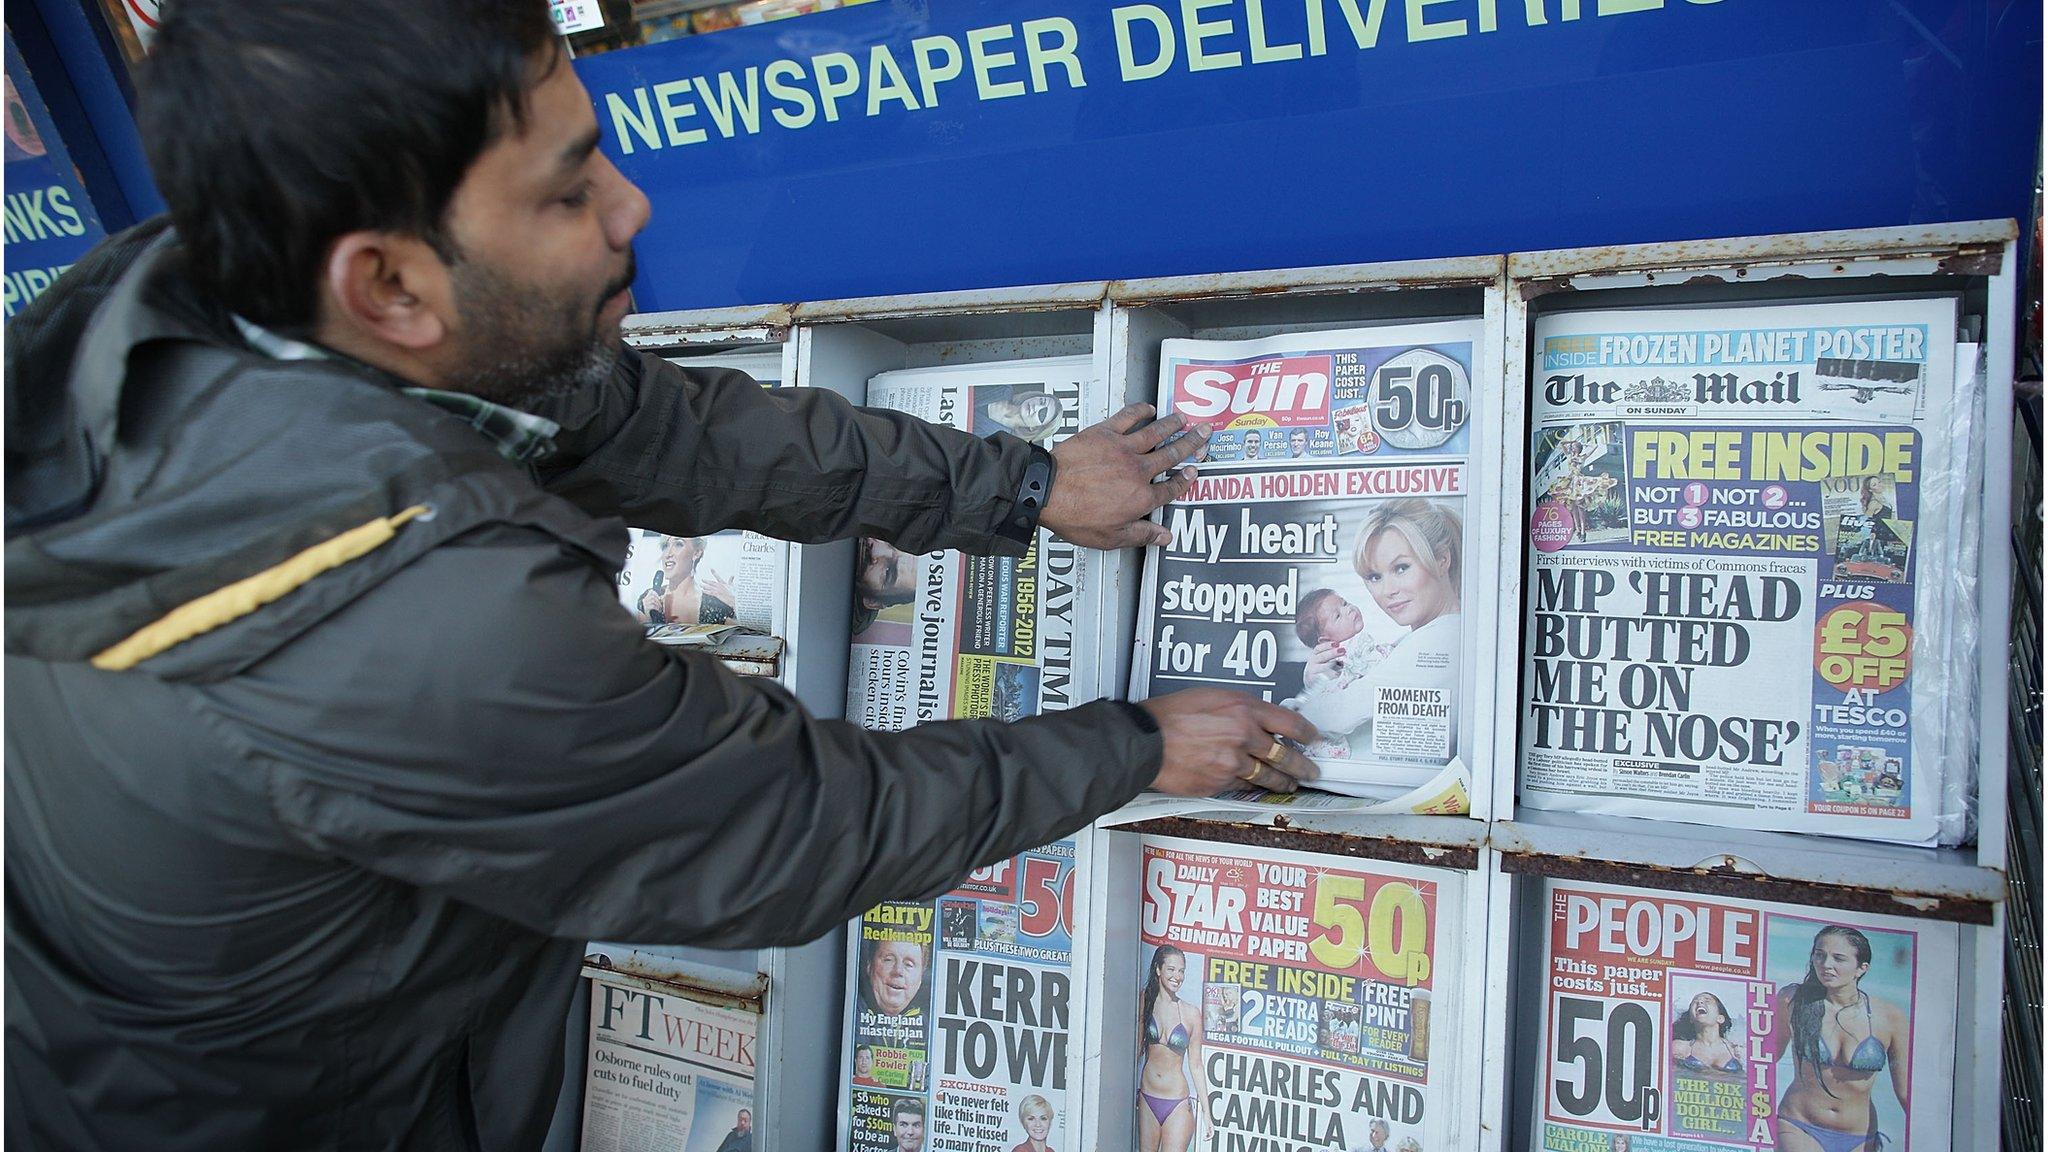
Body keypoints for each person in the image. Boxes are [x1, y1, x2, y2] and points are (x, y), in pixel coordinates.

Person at [1, 3, 1326, 1148]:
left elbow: (655, 427)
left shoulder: (211, 288)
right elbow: (791, 830)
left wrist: (1022, 487)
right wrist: (1131, 747)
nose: (632, 206)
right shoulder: (425, 630)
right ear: (390, 286)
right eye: (569, 189)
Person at [1290, 499, 1464, 750]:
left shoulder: (1440, 640)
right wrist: (1321, 683)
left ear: (1441, 560)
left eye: (1401, 568)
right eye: (1374, 576)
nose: (1387, 591)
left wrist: (1307, 697)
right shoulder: (1412, 641)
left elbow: (1333, 717)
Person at [1770, 926, 1912, 1152]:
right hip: (1798, 1124)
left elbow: (1905, 1092)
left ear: (1861, 968)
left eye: (1839, 958)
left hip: (1859, 1136)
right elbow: (1767, 1057)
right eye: (1820, 955)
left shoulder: (1890, 1017)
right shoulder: (1793, 1001)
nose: (1826, 964)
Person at [1137, 945, 1207, 1152]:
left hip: (1177, 1102)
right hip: (1147, 1097)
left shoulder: (1192, 1014)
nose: (1177, 976)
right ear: (1158, 969)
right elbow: (1135, 1051)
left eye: (1182, 970)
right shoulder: (1145, 1001)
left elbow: (1196, 1065)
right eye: (1171, 969)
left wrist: (1207, 1112)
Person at [1672, 991, 1742, 1074]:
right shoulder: (1680, 1048)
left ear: (1720, 1018)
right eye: (1695, 1001)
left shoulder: (1736, 1050)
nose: (1700, 1002)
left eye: (1707, 1001)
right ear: (1691, 1018)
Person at [862, 937, 928, 1017]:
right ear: (870, 966)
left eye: (908, 964)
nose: (898, 971)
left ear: (920, 978)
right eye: (888, 960)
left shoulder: (927, 1023)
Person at [983, 389, 1063, 442]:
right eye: (1042, 401)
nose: (1036, 407)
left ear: (1035, 428)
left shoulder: (1000, 441)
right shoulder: (1002, 388)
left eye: (1042, 414)